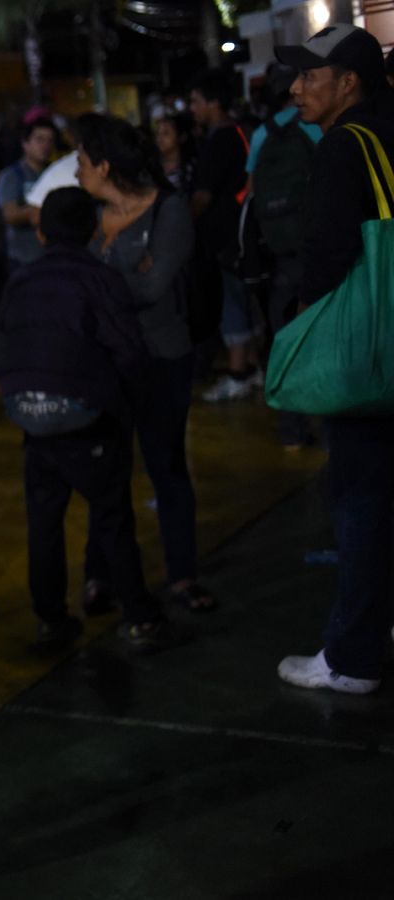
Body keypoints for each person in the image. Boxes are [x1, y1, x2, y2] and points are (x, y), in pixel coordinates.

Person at [0, 187, 172, 653]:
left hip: (28, 415)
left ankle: (51, 620)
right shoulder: (99, 277)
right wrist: (125, 405)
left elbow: (6, 344)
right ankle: (138, 615)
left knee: (44, 522)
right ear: (94, 229)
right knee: (112, 516)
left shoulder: (21, 280)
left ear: (40, 230)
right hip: (83, 416)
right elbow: (129, 351)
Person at [273, 24, 394, 694]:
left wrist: (307, 329)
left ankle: (351, 657)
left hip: (371, 354)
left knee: (360, 496)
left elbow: (325, 256)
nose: (297, 89)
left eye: (309, 76)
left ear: (347, 82)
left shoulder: (344, 147)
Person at [75, 113, 216, 619]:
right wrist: (125, 280)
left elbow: (155, 289)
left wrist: (101, 289)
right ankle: (101, 575)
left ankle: (182, 575)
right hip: (106, 363)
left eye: (82, 162)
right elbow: (84, 282)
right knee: (105, 473)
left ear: (106, 165)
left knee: (166, 467)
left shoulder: (168, 211)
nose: (76, 172)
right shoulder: (89, 216)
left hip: (161, 359)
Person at [246, 63, 323, 449]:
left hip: (280, 257)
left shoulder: (262, 134)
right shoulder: (314, 126)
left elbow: (251, 194)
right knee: (326, 339)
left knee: (286, 341)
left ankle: (291, 430)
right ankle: (329, 431)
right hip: (317, 250)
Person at [188, 69, 259, 401]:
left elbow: (203, 195)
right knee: (244, 298)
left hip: (223, 236)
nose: (191, 108)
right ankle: (253, 365)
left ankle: (238, 371)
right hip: (242, 230)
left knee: (231, 301)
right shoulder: (240, 132)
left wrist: (183, 221)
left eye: (196, 101)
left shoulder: (220, 139)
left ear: (214, 103)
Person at [0, 117, 59, 272]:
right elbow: (10, 215)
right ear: (25, 143)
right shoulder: (12, 176)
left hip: (53, 257)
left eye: (50, 140)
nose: (45, 146)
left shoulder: (56, 172)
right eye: (40, 139)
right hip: (23, 259)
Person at [155, 113, 197, 196]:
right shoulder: (153, 167)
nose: (159, 138)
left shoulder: (192, 167)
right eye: (157, 133)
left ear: (181, 137)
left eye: (166, 133)